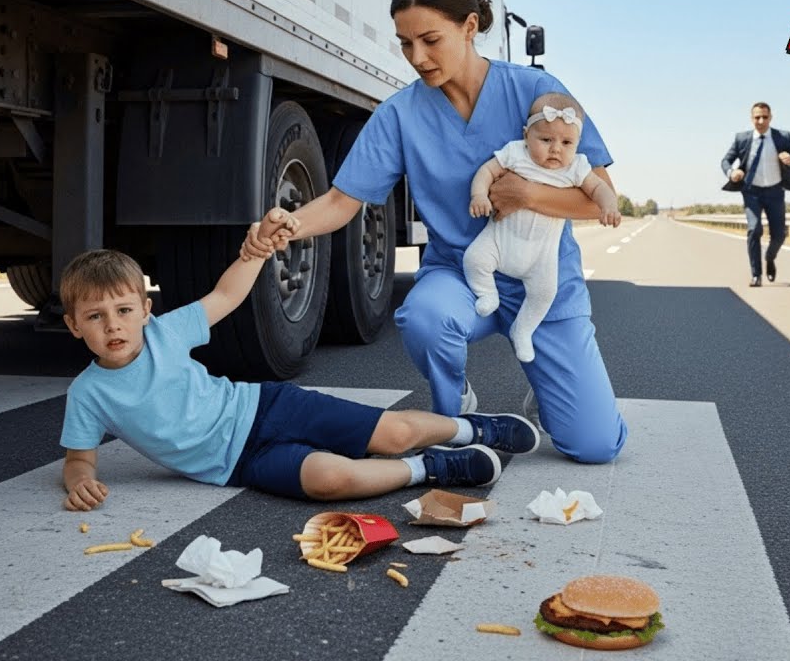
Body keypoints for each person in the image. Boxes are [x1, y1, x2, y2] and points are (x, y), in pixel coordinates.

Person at [240, 0, 627, 464]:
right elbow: (341, 201)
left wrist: (525, 195)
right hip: (462, 274)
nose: (417, 58)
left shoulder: (537, 93)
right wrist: (289, 226)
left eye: (429, 39)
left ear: (469, 27)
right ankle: (455, 412)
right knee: (424, 316)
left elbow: (600, 198)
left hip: (543, 277)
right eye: (405, 43)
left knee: (595, 446)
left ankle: (551, 399)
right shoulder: (401, 114)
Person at [57, 210, 542, 511]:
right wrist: (80, 482)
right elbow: (79, 459)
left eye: (123, 310)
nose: (113, 326)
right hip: (238, 463)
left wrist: (257, 248)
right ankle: (431, 468)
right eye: (95, 317)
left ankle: (472, 430)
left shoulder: (165, 333)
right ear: (74, 326)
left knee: (392, 434)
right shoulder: (88, 394)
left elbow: (226, 294)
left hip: (266, 408)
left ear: (145, 309)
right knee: (331, 479)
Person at [464, 91, 621, 363]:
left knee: (545, 292)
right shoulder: (515, 153)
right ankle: (487, 293)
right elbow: (487, 172)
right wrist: (479, 195)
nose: (556, 149)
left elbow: (599, 188)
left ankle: (522, 330)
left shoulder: (575, 167)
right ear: (527, 135)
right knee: (474, 259)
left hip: (540, 256)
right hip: (500, 241)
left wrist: (609, 205)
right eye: (546, 139)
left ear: (578, 144)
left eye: (566, 142)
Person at [719, 102, 790, 287]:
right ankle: (756, 275)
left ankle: (769, 258)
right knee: (754, 229)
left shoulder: (782, 137)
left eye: (764, 117)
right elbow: (726, 160)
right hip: (751, 192)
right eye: (757, 117)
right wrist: (731, 173)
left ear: (770, 118)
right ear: (751, 119)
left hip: (775, 191)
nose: (761, 121)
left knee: (779, 235)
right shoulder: (742, 139)